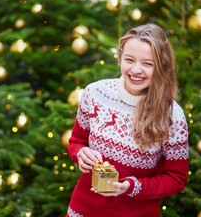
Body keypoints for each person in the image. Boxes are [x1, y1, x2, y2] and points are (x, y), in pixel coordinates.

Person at [66, 23, 189, 217]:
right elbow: (76, 142)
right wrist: (80, 153)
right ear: (120, 57)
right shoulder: (95, 93)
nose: (136, 69)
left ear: (161, 66)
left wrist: (132, 186)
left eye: (148, 63)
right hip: (83, 210)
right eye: (129, 60)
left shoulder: (172, 115)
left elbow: (176, 178)